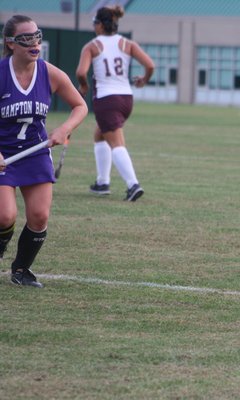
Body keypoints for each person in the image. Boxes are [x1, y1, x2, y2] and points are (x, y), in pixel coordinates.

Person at [0, 15, 88, 287]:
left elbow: (80, 106)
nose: (34, 43)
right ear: (11, 43)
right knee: (5, 215)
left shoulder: (50, 73)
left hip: (35, 153)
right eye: (26, 38)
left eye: (37, 36)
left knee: (39, 216)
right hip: (4, 156)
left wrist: (64, 129)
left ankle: (21, 270)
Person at [75, 5, 154, 201]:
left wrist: (83, 86)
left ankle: (132, 185)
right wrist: (143, 80)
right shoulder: (128, 43)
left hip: (106, 100)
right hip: (126, 99)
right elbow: (150, 65)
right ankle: (102, 182)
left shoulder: (92, 46)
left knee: (116, 143)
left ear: (101, 25)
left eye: (95, 23)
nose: (95, 27)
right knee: (99, 134)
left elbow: (80, 72)